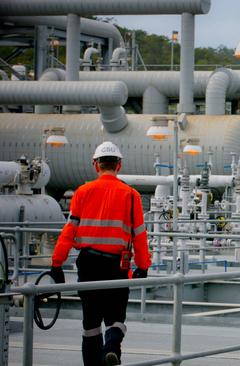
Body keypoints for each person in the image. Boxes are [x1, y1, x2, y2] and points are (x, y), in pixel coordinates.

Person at [50, 141, 151, 366]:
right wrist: (143, 266)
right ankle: (111, 347)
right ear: (119, 165)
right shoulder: (131, 195)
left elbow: (69, 231)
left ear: (96, 165)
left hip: (88, 265)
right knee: (116, 318)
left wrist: (56, 264)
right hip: (117, 266)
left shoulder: (82, 192)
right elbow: (139, 236)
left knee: (91, 323)